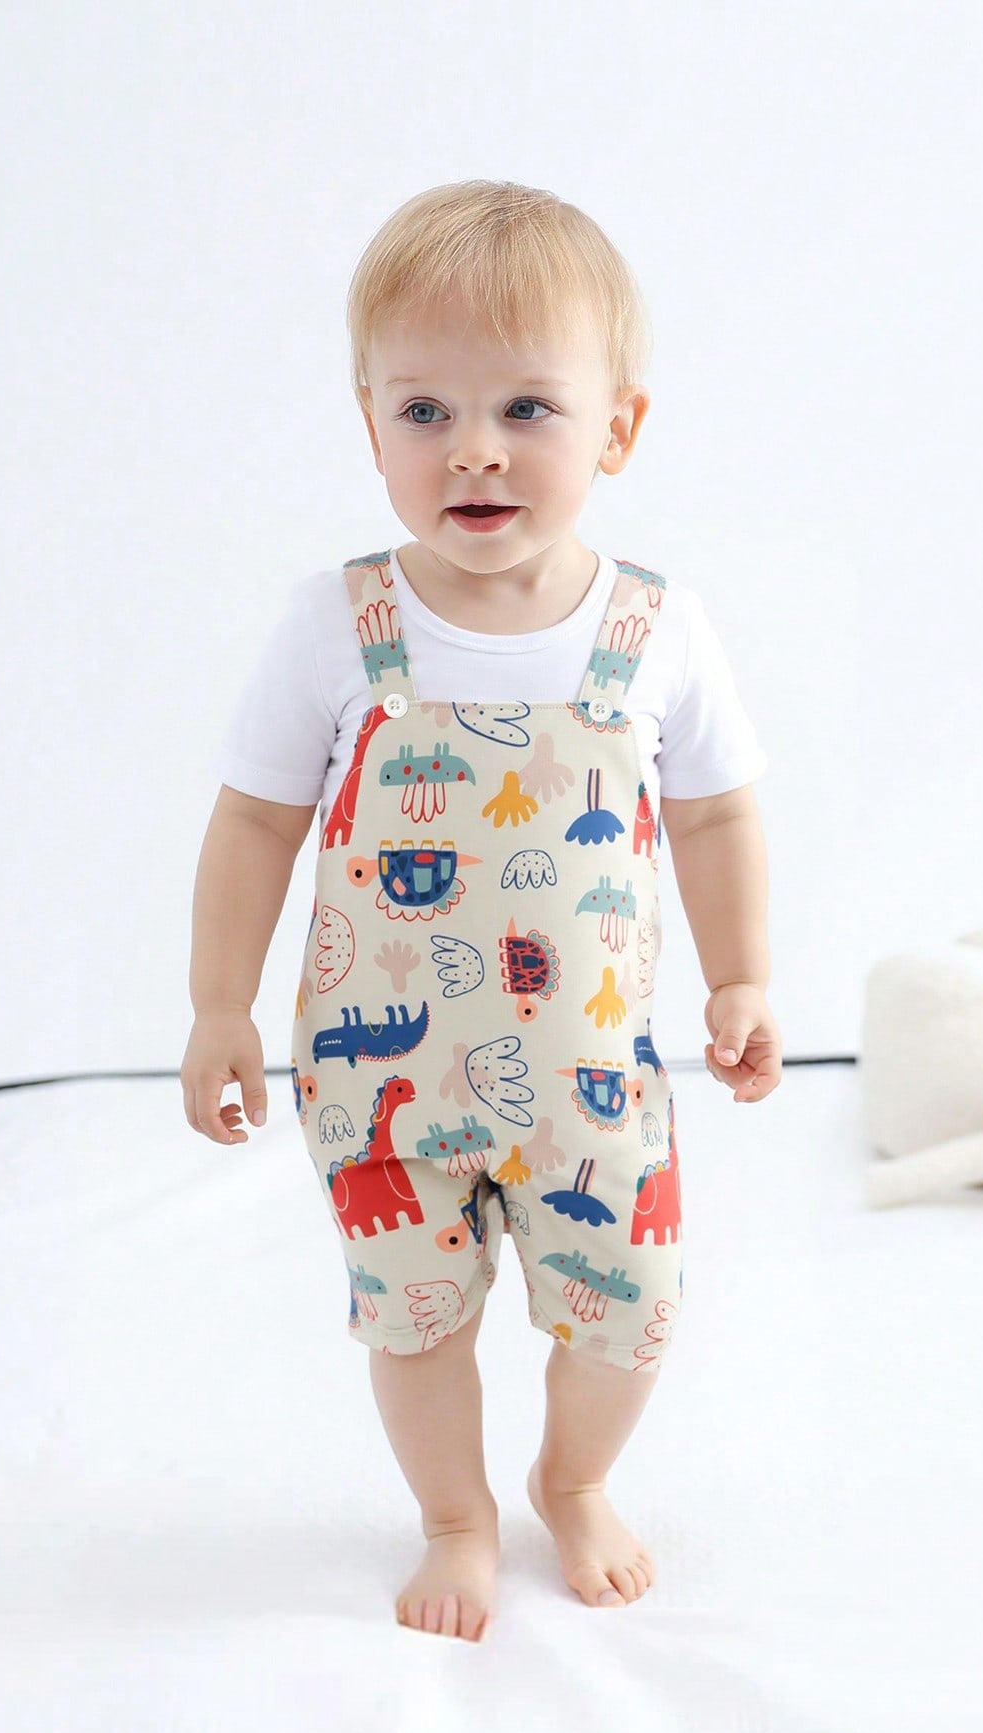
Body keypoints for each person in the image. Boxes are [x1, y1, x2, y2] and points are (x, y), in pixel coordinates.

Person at [181, 179, 782, 1644]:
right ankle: (455, 1514)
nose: (476, 449)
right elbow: (255, 822)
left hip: (594, 1079)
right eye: (426, 411)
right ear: (371, 427)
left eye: (526, 407)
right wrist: (217, 1006)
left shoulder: (654, 628)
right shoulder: (340, 626)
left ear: (617, 429)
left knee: (632, 1301)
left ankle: (573, 1479)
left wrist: (743, 978)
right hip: (387, 1087)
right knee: (413, 1317)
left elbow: (715, 813)